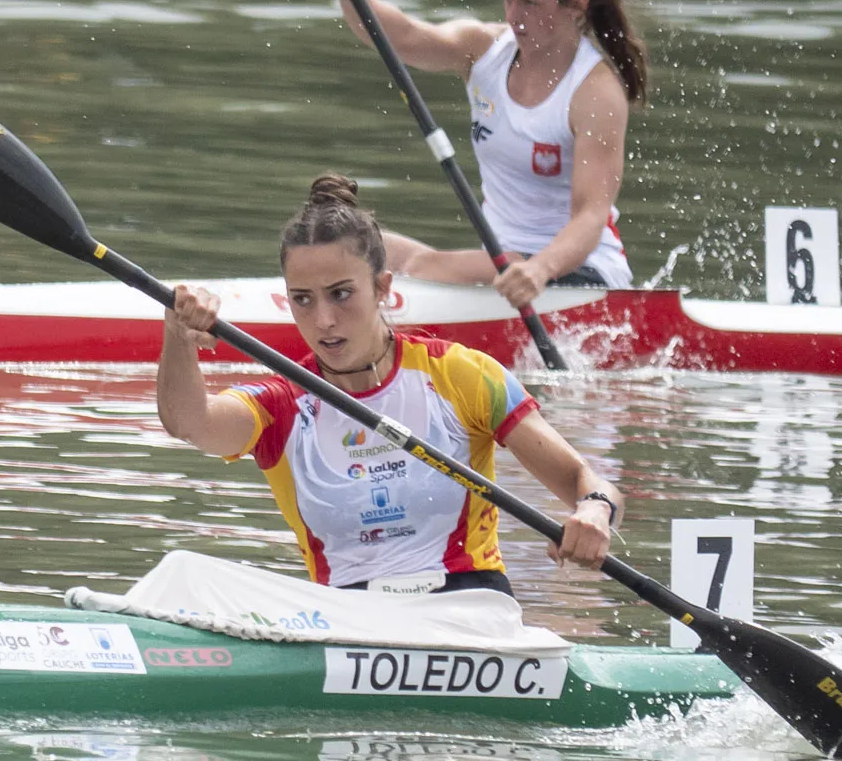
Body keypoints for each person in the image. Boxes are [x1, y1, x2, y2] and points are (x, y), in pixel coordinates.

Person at [156, 174, 622, 595]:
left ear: (382, 287)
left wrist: (594, 511)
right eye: (302, 299)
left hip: (469, 609)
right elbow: (188, 422)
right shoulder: (284, 405)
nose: (323, 321)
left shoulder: (459, 375)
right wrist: (177, 335)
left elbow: (588, 482)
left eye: (341, 294)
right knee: (182, 572)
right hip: (347, 622)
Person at [320, 0, 648, 305]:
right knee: (350, 245)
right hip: (499, 267)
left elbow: (590, 217)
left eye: (528, 2)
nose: (513, 15)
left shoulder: (595, 92)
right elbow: (403, 37)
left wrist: (539, 269)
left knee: (421, 266)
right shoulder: (483, 50)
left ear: (576, 5)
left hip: (577, 277)